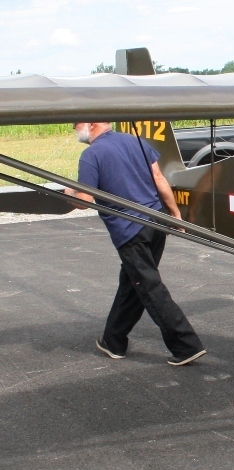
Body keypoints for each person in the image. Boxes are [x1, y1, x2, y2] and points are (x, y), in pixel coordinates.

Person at [64, 122, 206, 366]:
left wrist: (68, 195)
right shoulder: (135, 141)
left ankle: (186, 345)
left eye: (75, 125)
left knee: (150, 288)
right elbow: (159, 178)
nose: (74, 129)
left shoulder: (91, 155)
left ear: (90, 124)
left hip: (130, 231)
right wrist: (174, 215)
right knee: (132, 283)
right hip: (156, 223)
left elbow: (85, 201)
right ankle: (113, 340)